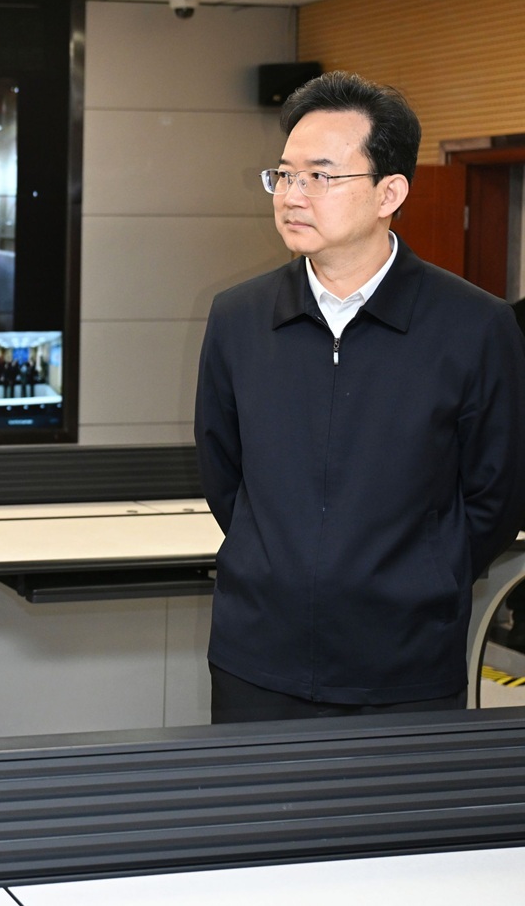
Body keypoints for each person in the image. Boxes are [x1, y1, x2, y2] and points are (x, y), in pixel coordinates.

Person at [194, 71, 525, 724]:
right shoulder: (239, 317)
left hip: (406, 663)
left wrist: (423, 575)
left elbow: (498, 494)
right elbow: (222, 473)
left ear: (389, 193)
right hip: (257, 659)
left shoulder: (474, 326)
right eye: (284, 175)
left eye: (320, 176)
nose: (292, 196)